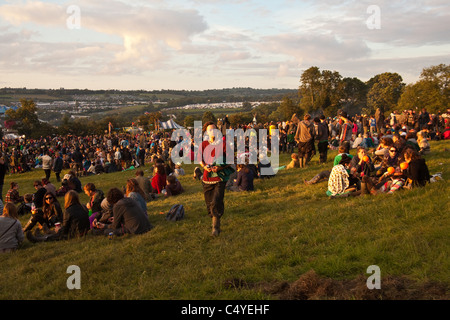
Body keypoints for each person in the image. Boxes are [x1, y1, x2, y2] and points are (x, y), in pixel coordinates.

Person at [198, 121, 234, 236]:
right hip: (206, 178)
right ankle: (215, 221)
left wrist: (219, 167)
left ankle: (215, 228)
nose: (212, 131)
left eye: (214, 129)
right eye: (210, 130)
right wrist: (205, 167)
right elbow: (200, 159)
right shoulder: (203, 144)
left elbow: (230, 160)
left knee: (216, 201)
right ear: (206, 132)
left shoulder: (223, 144)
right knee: (209, 203)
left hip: (220, 178)